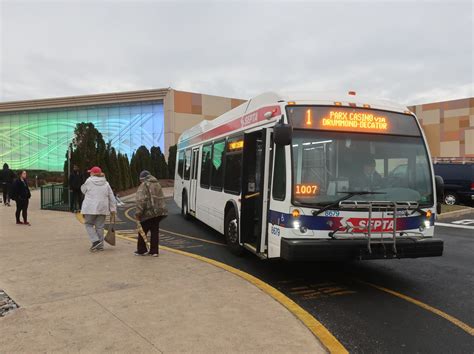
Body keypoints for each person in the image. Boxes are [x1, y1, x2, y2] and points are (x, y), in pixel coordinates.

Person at [80, 166, 116, 252]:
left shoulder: (89, 181)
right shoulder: (106, 183)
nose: (89, 173)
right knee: (100, 227)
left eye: (90, 172)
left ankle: (95, 241)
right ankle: (100, 246)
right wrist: (113, 209)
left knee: (88, 224)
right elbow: (111, 196)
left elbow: (83, 190)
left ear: (93, 173)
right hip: (102, 208)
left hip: (90, 208)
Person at [135, 170, 168, 257]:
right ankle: (154, 251)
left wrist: (138, 213)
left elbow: (141, 200)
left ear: (142, 179)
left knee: (142, 231)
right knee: (154, 232)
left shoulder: (144, 185)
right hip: (159, 212)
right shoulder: (157, 183)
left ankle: (142, 250)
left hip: (148, 212)